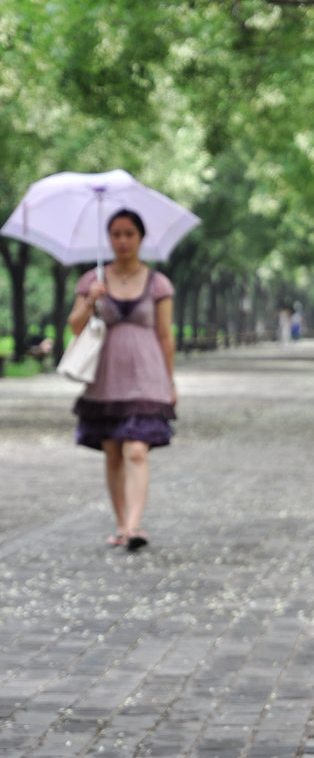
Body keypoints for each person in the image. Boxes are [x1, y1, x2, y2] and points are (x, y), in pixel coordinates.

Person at [66, 208, 176, 551]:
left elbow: (164, 335)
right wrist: (92, 300)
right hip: (106, 375)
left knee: (137, 448)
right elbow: (74, 325)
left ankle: (134, 526)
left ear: (141, 238)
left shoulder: (158, 283)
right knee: (112, 450)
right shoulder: (92, 279)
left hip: (147, 375)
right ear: (109, 238)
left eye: (129, 233)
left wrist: (170, 383)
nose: (123, 240)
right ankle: (119, 523)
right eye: (116, 234)